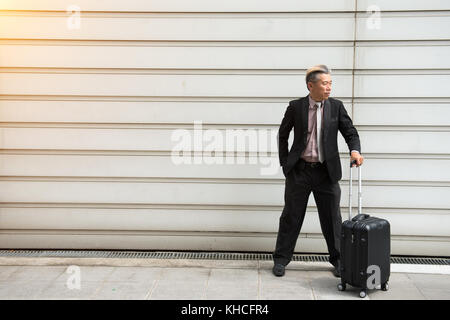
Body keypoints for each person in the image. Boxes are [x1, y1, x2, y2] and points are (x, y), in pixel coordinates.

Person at [272, 64, 364, 278]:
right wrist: (286, 165)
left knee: (332, 218)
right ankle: (281, 259)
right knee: (291, 217)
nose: (329, 88)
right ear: (310, 86)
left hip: (326, 172)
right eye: (325, 83)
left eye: (331, 83)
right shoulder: (295, 107)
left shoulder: (336, 107)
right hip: (300, 171)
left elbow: (350, 132)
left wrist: (355, 151)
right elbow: (282, 134)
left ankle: (339, 260)